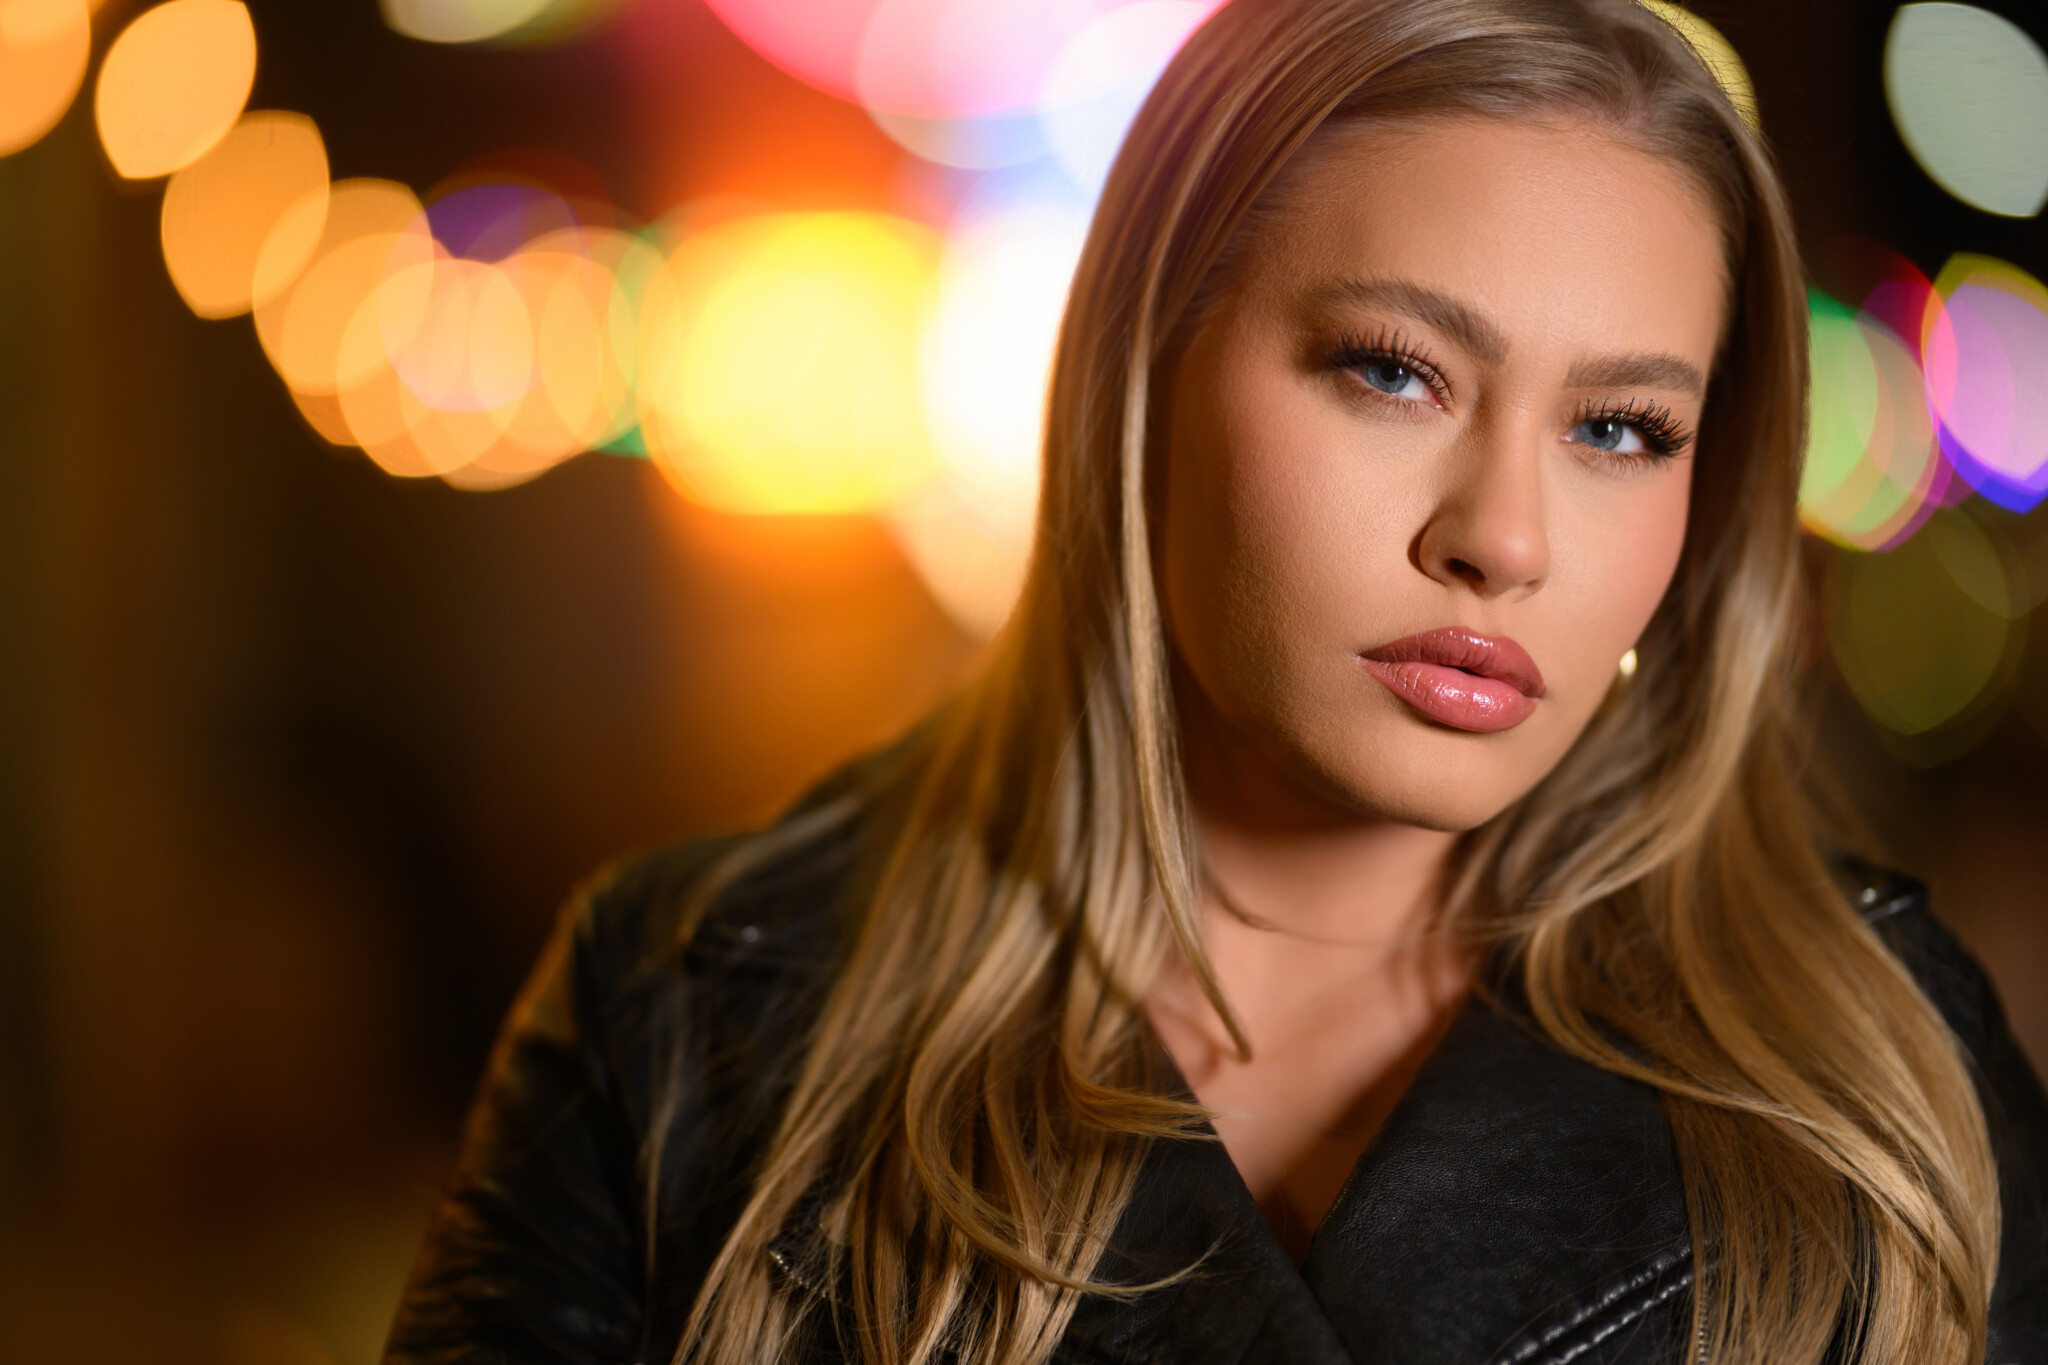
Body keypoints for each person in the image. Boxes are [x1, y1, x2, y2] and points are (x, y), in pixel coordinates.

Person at [382, 0, 2048, 1361]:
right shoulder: (682, 1008)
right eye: (1394, 371)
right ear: (1147, 368)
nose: (1507, 538)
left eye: (1620, 427)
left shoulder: (1885, 1066)